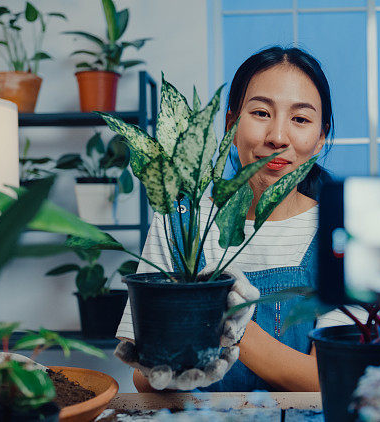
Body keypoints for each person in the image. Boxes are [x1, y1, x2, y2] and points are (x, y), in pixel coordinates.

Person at [116, 46, 339, 392]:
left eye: (300, 119)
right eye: (262, 112)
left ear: (321, 136)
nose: (277, 137)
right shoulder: (180, 222)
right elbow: (144, 378)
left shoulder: (338, 232)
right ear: (231, 124)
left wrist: (231, 325)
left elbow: (331, 378)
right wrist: (163, 364)